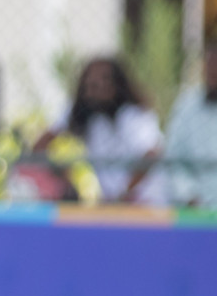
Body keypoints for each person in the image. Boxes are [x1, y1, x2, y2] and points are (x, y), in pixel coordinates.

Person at [41, 57, 164, 205]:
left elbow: (152, 154)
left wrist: (124, 195)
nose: (98, 87)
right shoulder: (83, 114)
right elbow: (40, 145)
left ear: (118, 84)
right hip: (111, 204)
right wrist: (63, 176)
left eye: (105, 80)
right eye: (92, 84)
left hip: (147, 203)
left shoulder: (134, 115)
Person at [165, 42, 217, 209]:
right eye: (210, 65)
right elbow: (174, 158)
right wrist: (189, 195)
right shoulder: (187, 106)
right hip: (195, 208)